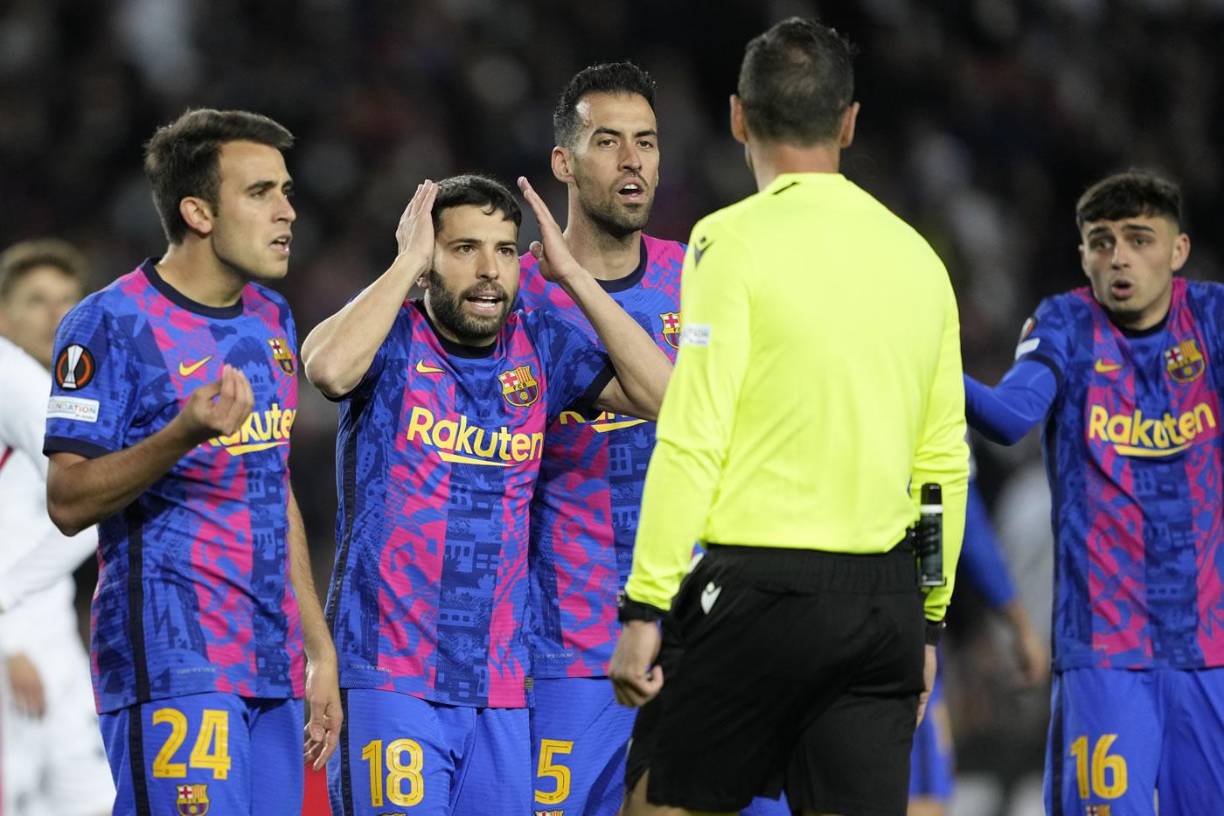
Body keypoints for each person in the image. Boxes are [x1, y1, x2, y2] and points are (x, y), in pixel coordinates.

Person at [608, 17, 969, 816]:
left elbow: (694, 432)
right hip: (885, 607)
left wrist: (644, 607)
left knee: (656, 805)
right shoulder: (920, 259)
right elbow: (943, 463)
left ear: (738, 116)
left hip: (757, 592)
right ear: (848, 121)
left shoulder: (727, 242)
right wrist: (931, 622)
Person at [300, 173, 670, 815]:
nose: (488, 269)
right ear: (428, 259)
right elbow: (327, 368)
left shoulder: (540, 346)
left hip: (500, 684)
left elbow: (667, 397)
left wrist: (575, 279)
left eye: (504, 249)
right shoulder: (391, 338)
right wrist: (404, 265)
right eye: (464, 248)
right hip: (392, 674)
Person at [40, 109, 340, 815]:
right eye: (262, 192)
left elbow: (273, 487)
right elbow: (67, 500)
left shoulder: (272, 319)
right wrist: (181, 434)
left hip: (270, 662)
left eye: (287, 191)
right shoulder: (109, 323)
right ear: (198, 211)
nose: (288, 212)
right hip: (174, 662)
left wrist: (316, 645)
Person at [518, 61, 788, 816]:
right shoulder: (512, 293)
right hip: (569, 647)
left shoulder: (703, 278)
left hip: (708, 639)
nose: (634, 161)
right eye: (609, 142)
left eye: (648, 142)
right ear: (564, 164)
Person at [963, 169, 1224, 816]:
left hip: (1210, 652)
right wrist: (926, 365)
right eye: (1102, 242)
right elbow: (1008, 416)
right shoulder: (1065, 325)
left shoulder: (1213, 319)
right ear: (1083, 256)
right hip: (1106, 655)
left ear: (1178, 250)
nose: (1120, 258)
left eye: (1140, 238)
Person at [0, 239, 114, 816]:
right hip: (12, 652)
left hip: (56, 646)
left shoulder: (59, 396)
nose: (56, 316)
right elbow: (93, 507)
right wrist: (8, 637)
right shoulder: (9, 375)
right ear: (3, 314)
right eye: (37, 301)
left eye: (68, 301)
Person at [907, 471, 1048, 816]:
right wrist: (1018, 623)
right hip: (897, 624)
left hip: (786, 608)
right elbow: (958, 509)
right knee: (918, 798)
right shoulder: (935, 419)